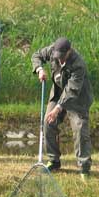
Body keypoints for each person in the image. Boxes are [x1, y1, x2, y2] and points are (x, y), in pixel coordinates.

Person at [31, 37, 93, 177]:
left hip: (77, 98)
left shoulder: (78, 64)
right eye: (58, 57)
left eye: (63, 57)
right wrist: (39, 69)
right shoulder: (53, 51)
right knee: (48, 122)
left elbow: (71, 91)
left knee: (80, 129)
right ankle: (54, 161)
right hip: (58, 92)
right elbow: (36, 55)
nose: (61, 60)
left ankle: (84, 168)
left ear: (69, 51)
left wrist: (58, 108)